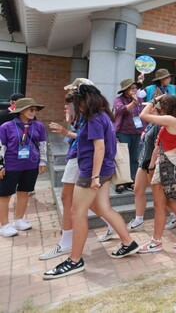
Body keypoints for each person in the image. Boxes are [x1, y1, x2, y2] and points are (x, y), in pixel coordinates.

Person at [44, 85, 139, 279]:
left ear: (84, 101)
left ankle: (75, 260)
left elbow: (100, 148)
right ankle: (128, 242)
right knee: (104, 208)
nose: (76, 107)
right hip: (102, 170)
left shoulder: (94, 118)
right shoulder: (103, 115)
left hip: (92, 171)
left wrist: (94, 176)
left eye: (76, 103)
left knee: (77, 213)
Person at [138, 95, 176, 253]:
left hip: (166, 164)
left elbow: (143, 115)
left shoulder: (171, 120)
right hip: (169, 163)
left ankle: (156, 241)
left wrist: (152, 100)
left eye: (161, 105)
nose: (159, 107)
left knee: (159, 205)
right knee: (169, 202)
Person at [40, 80, 87, 258]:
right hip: (79, 156)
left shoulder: (92, 114)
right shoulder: (84, 114)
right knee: (97, 204)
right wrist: (69, 124)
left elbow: (88, 138)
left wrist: (66, 131)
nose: (68, 106)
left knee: (68, 197)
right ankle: (122, 236)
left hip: (80, 158)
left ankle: (67, 242)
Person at [0, 98, 47, 237]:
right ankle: (4, 225)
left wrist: (42, 161)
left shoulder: (39, 126)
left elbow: (42, 144)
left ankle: (19, 220)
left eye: (35, 109)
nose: (34, 112)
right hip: (11, 165)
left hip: (31, 165)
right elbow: (1, 147)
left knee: (24, 192)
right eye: (30, 109)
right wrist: (0, 165)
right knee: (5, 195)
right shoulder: (6, 126)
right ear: (21, 111)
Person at [113, 78, 145, 193]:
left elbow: (141, 115)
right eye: (131, 88)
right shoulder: (118, 99)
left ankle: (131, 180)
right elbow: (121, 110)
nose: (134, 90)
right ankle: (120, 182)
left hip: (137, 132)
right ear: (125, 90)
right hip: (123, 131)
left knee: (134, 157)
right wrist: (133, 103)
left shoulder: (139, 99)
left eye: (135, 88)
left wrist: (144, 130)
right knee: (122, 157)